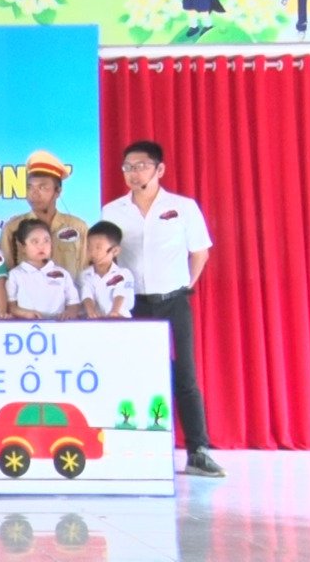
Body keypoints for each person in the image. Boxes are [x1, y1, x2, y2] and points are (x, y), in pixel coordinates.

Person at [102, 140, 223, 477]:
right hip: (133, 305)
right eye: (127, 167)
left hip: (173, 302)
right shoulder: (112, 211)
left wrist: (185, 285)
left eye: (141, 166)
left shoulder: (183, 207)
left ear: (160, 169)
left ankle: (198, 450)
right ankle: (133, 449)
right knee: (133, 374)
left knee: (185, 375)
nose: (133, 173)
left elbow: (200, 252)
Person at [0, 150, 89, 281]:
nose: (34, 194)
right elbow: (5, 274)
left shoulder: (78, 227)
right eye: (30, 187)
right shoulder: (13, 228)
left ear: (58, 191)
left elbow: (86, 273)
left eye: (42, 188)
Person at [6, 219, 81, 320]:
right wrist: (25, 314)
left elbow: (73, 302)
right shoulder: (15, 274)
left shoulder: (62, 273)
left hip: (58, 325)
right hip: (26, 325)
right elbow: (11, 306)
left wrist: (69, 313)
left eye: (46, 241)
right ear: (22, 246)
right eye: (35, 242)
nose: (41, 246)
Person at [80, 220, 134, 318]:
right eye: (89, 247)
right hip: (95, 321)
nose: (93, 252)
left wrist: (114, 312)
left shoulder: (123, 273)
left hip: (121, 320)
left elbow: (120, 293)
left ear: (115, 251)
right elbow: (87, 294)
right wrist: (91, 312)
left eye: (98, 248)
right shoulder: (85, 274)